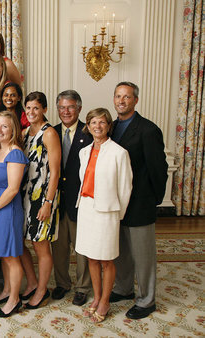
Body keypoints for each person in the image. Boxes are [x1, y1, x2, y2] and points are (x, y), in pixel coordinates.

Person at [109, 82, 168, 320]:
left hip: (140, 203)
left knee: (143, 255)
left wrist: (153, 199)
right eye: (118, 96)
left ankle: (147, 300)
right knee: (121, 251)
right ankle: (123, 289)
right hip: (117, 203)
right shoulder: (111, 127)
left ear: (135, 100)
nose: (121, 101)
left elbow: (159, 169)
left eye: (127, 97)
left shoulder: (148, 130)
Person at [75, 108, 133, 323]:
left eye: (101, 122)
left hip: (108, 212)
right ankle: (97, 297)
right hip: (87, 209)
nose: (97, 127)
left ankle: (105, 301)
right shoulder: (84, 151)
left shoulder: (119, 152)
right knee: (91, 257)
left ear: (108, 125)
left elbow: (125, 188)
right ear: (88, 126)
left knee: (107, 259)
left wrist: (117, 215)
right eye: (93, 122)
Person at [51, 90, 93, 305]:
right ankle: (62, 284)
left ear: (79, 108)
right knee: (58, 248)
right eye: (62, 107)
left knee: (82, 248)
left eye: (70, 107)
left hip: (81, 201)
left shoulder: (90, 133)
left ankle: (83, 287)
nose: (65, 111)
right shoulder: (52, 132)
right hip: (57, 202)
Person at [0, 111, 29, 318]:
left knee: (11, 257)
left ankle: (14, 299)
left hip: (6, 209)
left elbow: (12, 189)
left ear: (13, 130)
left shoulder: (15, 153)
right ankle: (6, 291)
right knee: (3, 254)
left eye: (4, 126)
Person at [22, 91, 61, 310]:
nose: (31, 112)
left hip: (43, 197)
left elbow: (55, 172)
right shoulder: (27, 131)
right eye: (28, 108)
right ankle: (33, 282)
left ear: (44, 109)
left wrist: (48, 202)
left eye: (36, 108)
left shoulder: (49, 133)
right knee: (22, 243)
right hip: (27, 196)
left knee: (41, 246)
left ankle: (42, 290)